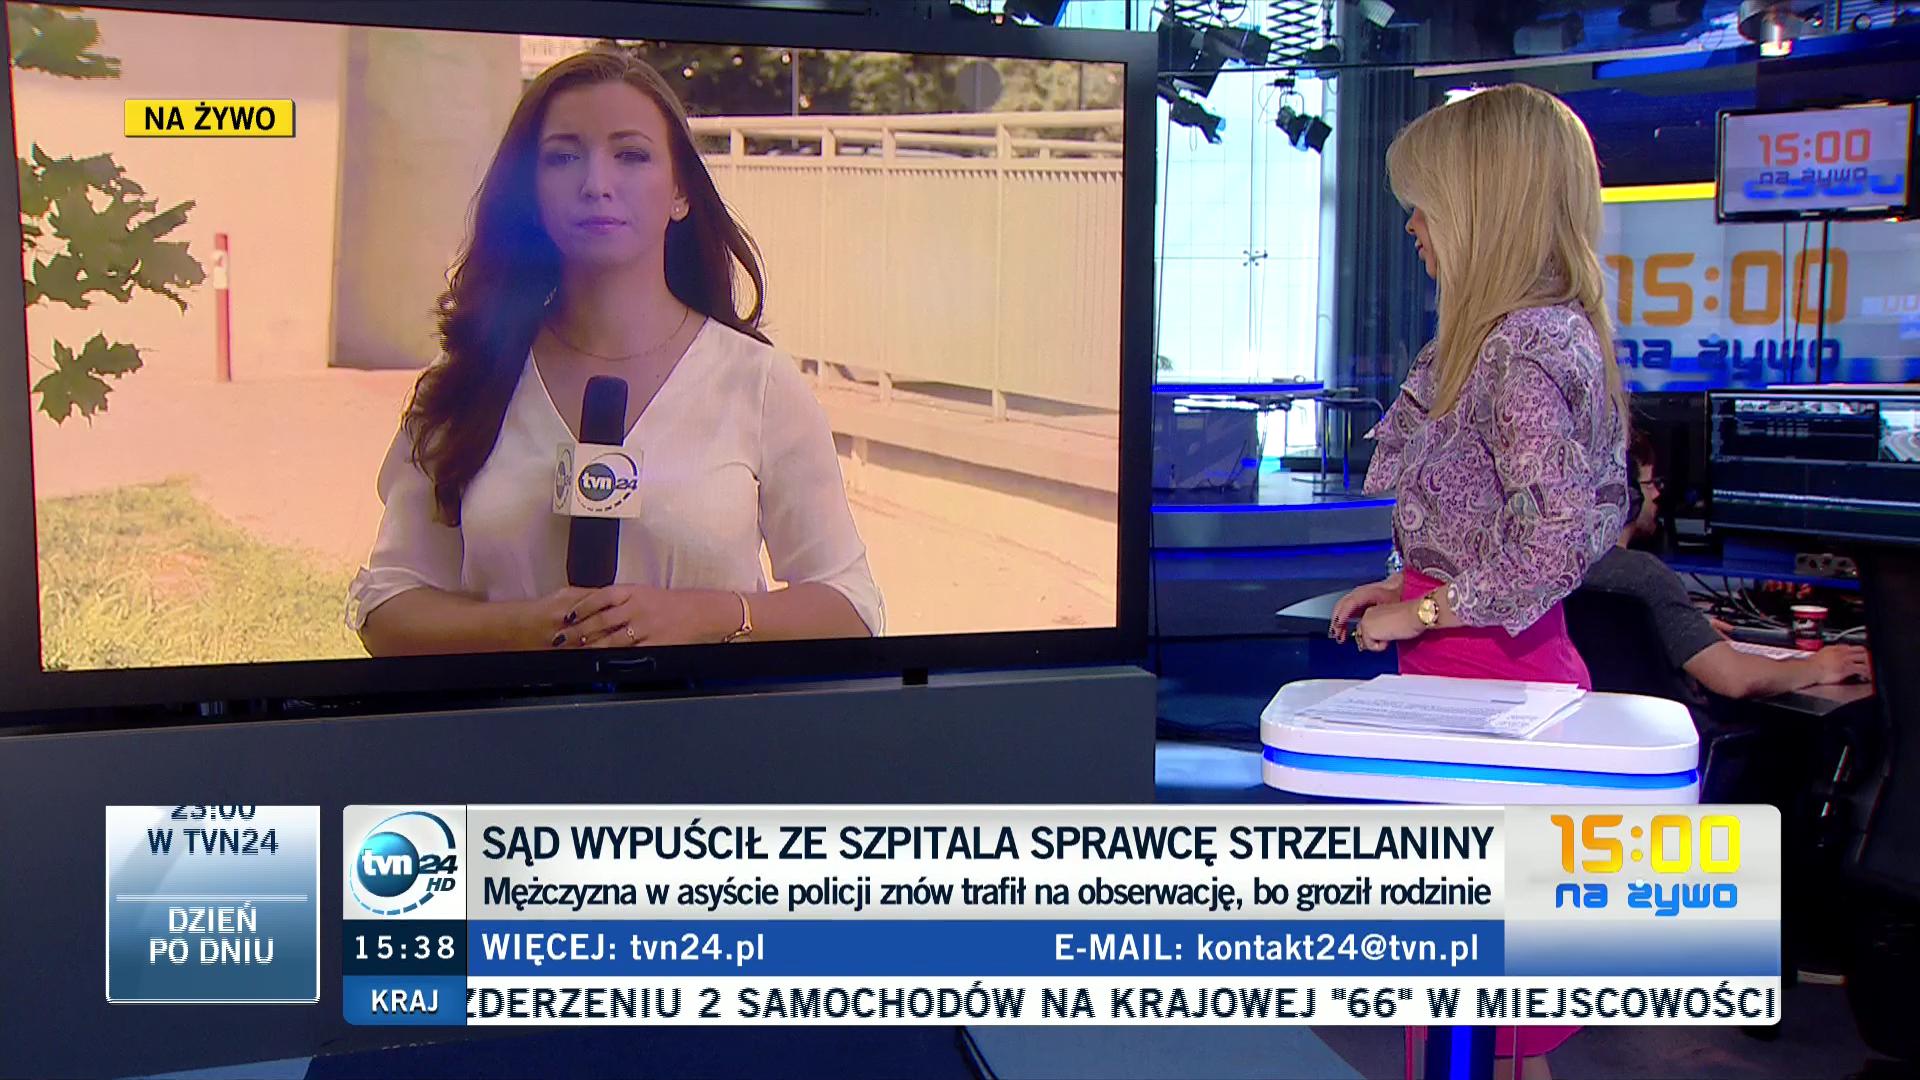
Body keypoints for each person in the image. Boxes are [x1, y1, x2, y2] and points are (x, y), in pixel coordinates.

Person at [348, 49, 882, 656]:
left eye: (630, 155)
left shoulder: (756, 384)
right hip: (509, 718)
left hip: (703, 718)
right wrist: (523, 627)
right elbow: (387, 605)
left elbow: (853, 605)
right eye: (563, 156)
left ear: (680, 192)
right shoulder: (469, 381)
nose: (596, 184)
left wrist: (708, 615)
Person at [1328, 84, 1629, 1080]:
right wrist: (1404, 592)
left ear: (1482, 206)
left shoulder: (1519, 354)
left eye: (1425, 205)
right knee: (1482, 1018)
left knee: (1479, 1015)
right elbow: (1525, 520)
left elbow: (1554, 543)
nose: (1411, 227)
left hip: (1491, 692)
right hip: (1477, 675)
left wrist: (1427, 611)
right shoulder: (1524, 337)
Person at [1583, 429, 1872, 698]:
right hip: (1695, 730)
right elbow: (1735, 679)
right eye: (1649, 484)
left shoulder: (1571, 572)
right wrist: (1818, 667)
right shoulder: (1646, 575)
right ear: (1628, 495)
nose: (1658, 494)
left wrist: (1680, 628)